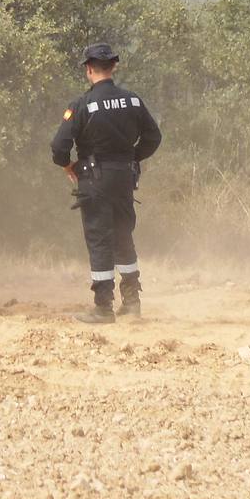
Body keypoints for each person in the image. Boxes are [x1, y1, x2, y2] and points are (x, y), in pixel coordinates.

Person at [50, 43, 162, 323]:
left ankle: (103, 308)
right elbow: (154, 137)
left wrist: (68, 165)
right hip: (125, 177)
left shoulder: (82, 104)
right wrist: (132, 158)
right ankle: (133, 302)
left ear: (89, 69)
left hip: (94, 179)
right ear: (114, 67)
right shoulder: (133, 100)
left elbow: (58, 146)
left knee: (100, 238)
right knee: (124, 235)